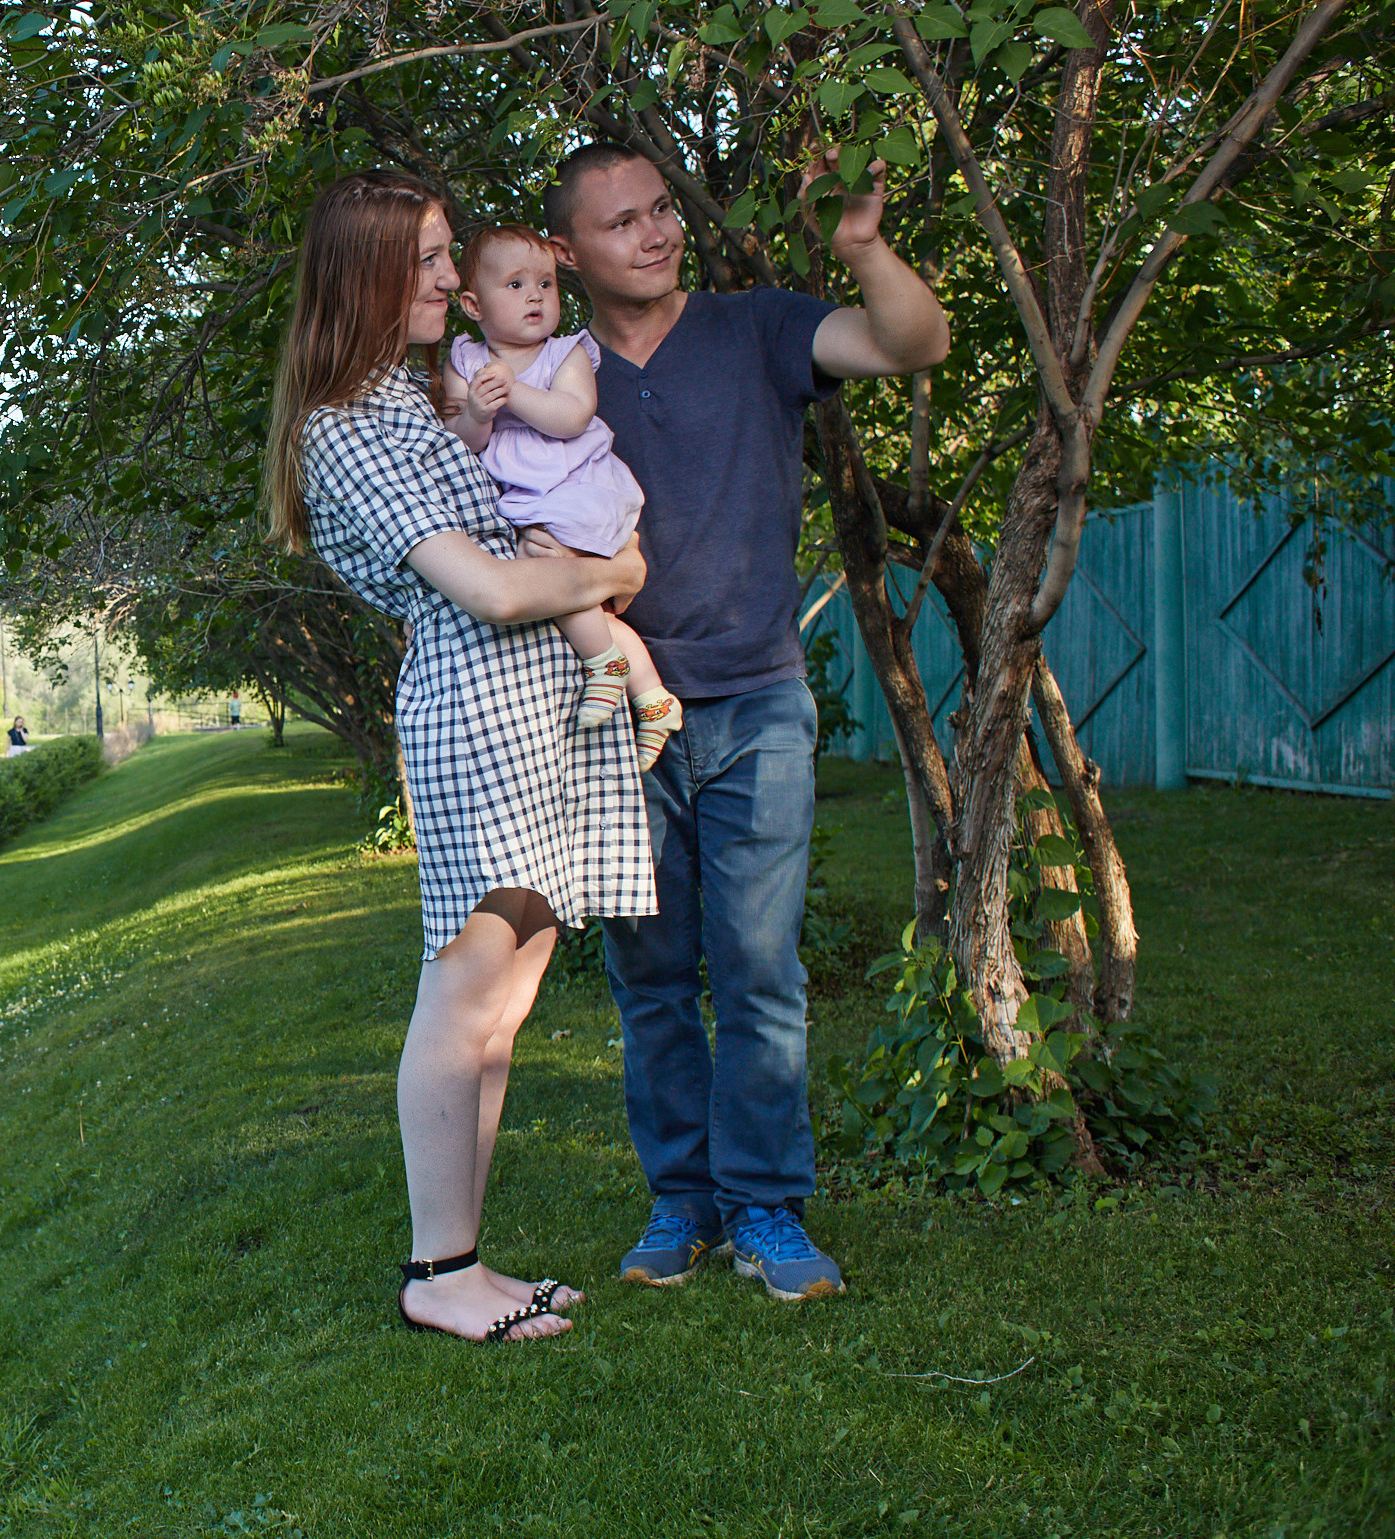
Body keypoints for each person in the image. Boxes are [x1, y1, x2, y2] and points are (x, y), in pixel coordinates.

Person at [537, 142, 950, 1302]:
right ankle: (681, 1201)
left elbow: (915, 344)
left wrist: (862, 250)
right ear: (568, 253)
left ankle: (767, 1207)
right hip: (615, 712)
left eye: (662, 209)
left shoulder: (756, 327)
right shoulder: (553, 374)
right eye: (622, 223)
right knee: (653, 979)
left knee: (761, 970)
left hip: (759, 697)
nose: (657, 233)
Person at [265, 169, 653, 1345]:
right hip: (479, 711)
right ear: (367, 273)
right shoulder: (345, 426)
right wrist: (611, 578)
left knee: (504, 1006)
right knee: (462, 995)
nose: (449, 277)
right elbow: (485, 586)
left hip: (536, 705)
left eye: (447, 255)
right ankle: (439, 1271)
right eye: (430, 259)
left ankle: (464, 1262)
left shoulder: (410, 399)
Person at [438, 223, 680, 769]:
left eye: (545, 284)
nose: (535, 296)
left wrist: (514, 393)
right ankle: (653, 696)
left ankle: (604, 664)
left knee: (541, 569)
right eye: (516, 285)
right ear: (473, 304)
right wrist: (477, 411)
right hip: (528, 496)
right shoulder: (464, 361)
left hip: (577, 487)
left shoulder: (566, 352)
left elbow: (572, 418)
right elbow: (462, 444)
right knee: (573, 599)